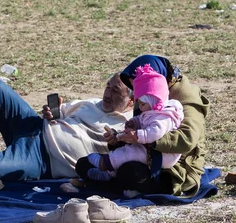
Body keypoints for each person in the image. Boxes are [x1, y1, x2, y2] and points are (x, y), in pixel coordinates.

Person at [0, 74, 134, 180]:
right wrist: (50, 111)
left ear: (131, 101)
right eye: (107, 86)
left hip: (42, 159)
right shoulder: (92, 103)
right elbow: (56, 113)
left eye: (115, 91)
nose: (107, 93)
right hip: (34, 126)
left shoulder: (129, 126)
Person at [76, 55, 209, 197]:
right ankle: (120, 185)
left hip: (174, 167)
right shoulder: (146, 94)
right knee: (84, 164)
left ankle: (118, 184)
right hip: (142, 155)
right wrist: (119, 138)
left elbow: (186, 140)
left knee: (129, 172)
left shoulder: (185, 97)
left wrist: (145, 138)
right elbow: (139, 126)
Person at [80, 65, 183, 183]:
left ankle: (105, 164)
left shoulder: (164, 116)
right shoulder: (150, 110)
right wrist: (133, 123)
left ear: (154, 100)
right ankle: (109, 174)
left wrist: (137, 136)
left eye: (142, 104)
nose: (140, 107)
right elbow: (142, 119)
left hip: (162, 156)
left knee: (129, 156)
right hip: (145, 148)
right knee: (86, 164)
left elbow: (155, 132)